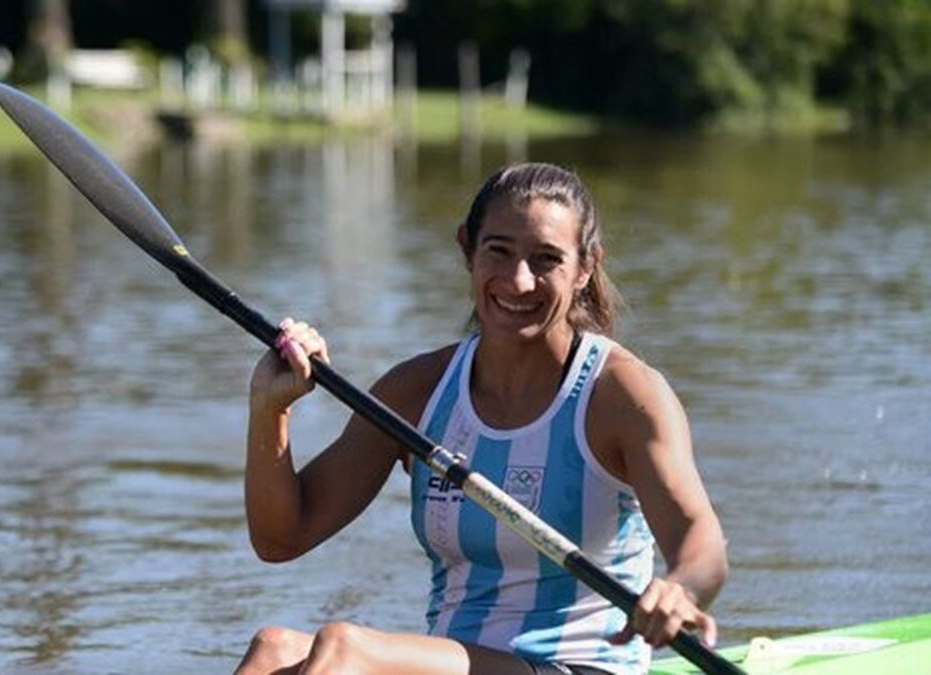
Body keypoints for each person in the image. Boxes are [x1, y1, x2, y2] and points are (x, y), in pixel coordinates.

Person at [235, 162, 729, 675]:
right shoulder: (417, 393)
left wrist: (680, 589)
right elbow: (281, 538)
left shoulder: (623, 395)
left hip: (580, 667)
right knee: (273, 648)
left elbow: (702, 541)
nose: (519, 281)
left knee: (344, 649)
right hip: (455, 663)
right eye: (499, 251)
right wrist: (271, 409)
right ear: (466, 249)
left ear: (585, 268)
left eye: (545, 260)